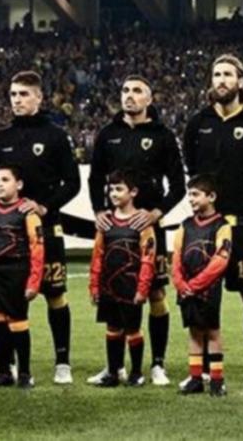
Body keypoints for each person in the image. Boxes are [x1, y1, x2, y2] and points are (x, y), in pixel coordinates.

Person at [0, 71, 79, 384]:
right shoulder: (1, 139)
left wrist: (45, 206)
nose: (17, 100)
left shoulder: (55, 136)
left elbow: (72, 182)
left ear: (38, 97)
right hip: (7, 236)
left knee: (55, 295)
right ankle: (7, 367)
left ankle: (62, 362)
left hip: (46, 230)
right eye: (13, 94)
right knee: (7, 303)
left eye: (24, 94)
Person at [183, 54, 243, 391]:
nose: (221, 80)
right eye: (217, 74)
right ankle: (206, 369)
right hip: (206, 227)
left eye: (228, 74)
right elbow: (192, 166)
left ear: (240, 81)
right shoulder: (198, 123)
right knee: (204, 296)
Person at [87, 75, 184, 387]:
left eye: (137, 91)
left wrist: (156, 213)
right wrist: (99, 211)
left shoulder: (163, 136)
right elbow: (95, 178)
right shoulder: (108, 134)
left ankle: (157, 364)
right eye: (125, 90)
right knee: (113, 290)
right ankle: (114, 367)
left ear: (149, 99)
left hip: (147, 227)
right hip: (115, 229)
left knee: (156, 293)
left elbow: (178, 185)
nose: (129, 95)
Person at [0, 164, 44, 390]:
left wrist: (34, 281)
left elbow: (37, 248)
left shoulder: (27, 213)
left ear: (19, 184)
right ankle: (3, 371)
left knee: (17, 321)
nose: (0, 185)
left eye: (5, 180)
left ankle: (24, 373)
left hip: (16, 272)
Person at [89, 170, 156, 388]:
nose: (114, 194)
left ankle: (136, 372)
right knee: (112, 328)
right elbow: (97, 255)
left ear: (133, 192)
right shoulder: (105, 223)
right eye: (111, 189)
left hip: (131, 285)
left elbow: (148, 258)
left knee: (132, 329)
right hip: (109, 286)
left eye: (119, 189)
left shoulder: (142, 223)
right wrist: (94, 286)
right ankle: (113, 372)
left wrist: (142, 288)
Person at [174, 175, 232, 397]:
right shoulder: (185, 225)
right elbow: (176, 255)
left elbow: (221, 260)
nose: (191, 199)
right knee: (194, 331)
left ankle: (217, 380)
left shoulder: (222, 226)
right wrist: (180, 283)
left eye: (196, 194)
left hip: (208, 289)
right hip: (186, 289)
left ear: (211, 196)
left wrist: (195, 285)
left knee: (212, 332)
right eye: (189, 194)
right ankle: (196, 378)